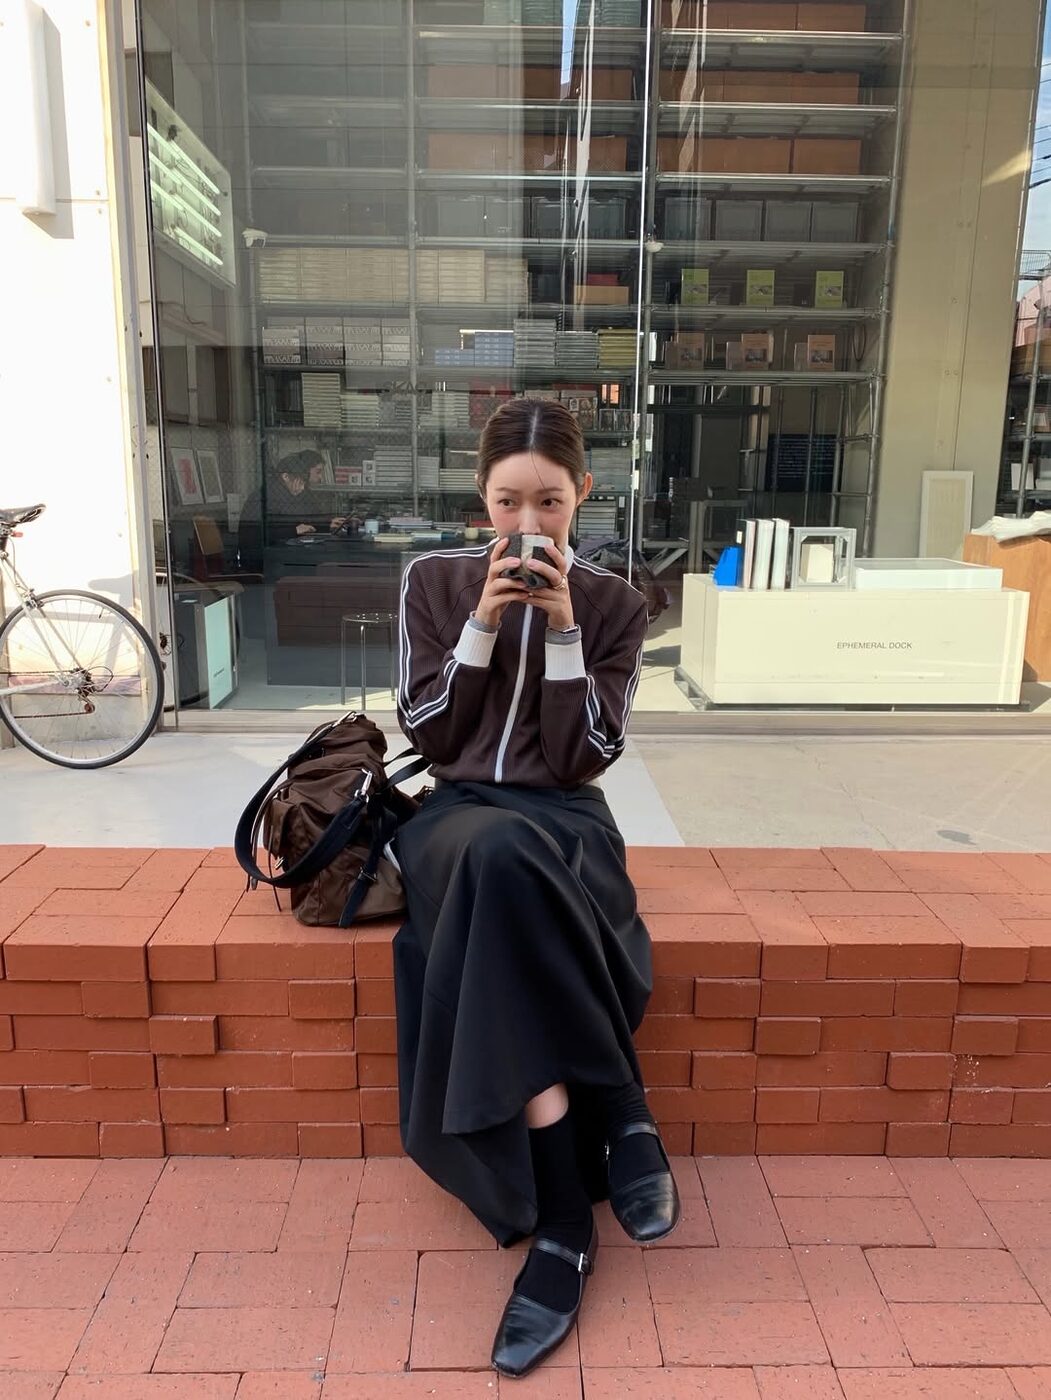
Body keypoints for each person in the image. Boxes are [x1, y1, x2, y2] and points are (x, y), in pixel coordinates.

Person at [392, 398, 680, 1380]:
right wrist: (483, 620)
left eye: (548, 502)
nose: (527, 523)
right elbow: (431, 732)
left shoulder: (613, 604)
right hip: (457, 817)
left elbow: (582, 754)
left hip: (564, 819)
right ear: (480, 499)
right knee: (495, 852)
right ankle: (622, 1111)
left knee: (514, 862)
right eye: (508, 501)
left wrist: (560, 629)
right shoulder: (434, 581)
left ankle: (564, 1225)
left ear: (581, 494)